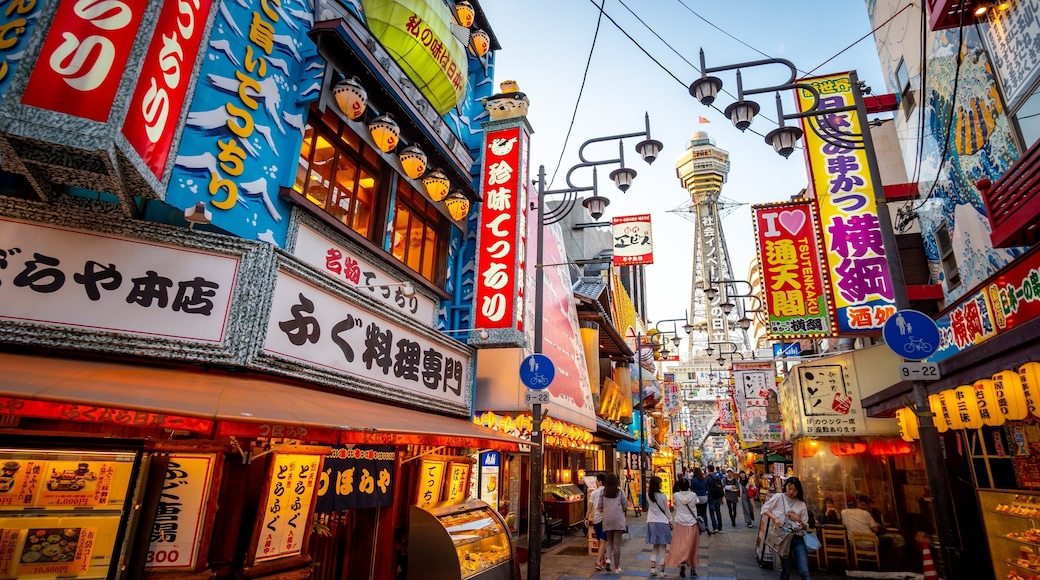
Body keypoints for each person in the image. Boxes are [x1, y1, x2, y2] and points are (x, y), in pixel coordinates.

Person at [762, 476, 812, 580]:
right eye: (790, 488)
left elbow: (805, 526)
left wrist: (798, 519)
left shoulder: (801, 504)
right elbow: (765, 509)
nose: (792, 492)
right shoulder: (778, 497)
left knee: (804, 571)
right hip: (783, 537)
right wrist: (775, 518)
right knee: (787, 569)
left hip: (798, 538)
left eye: (795, 489)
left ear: (799, 490)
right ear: (786, 487)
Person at [665, 478, 700, 578]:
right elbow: (697, 502)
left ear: (679, 486)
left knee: (681, 545)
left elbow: (676, 502)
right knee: (692, 546)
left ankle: (682, 564)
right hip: (692, 523)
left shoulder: (676, 495)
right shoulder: (693, 495)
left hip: (680, 523)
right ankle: (693, 569)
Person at [597, 473, 629, 575]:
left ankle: (608, 560)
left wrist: (606, 510)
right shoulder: (620, 492)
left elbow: (599, 506)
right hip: (618, 520)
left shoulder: (603, 492)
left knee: (609, 541)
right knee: (617, 544)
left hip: (607, 520)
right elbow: (626, 505)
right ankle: (616, 567)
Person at [645, 476, 673, 577]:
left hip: (651, 522)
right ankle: (662, 570)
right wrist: (670, 520)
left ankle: (653, 568)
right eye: (660, 483)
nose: (661, 485)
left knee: (655, 546)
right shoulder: (663, 496)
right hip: (662, 522)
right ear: (657, 485)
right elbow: (666, 510)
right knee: (663, 547)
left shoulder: (648, 495)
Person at [586, 473, 610, 571]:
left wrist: (586, 517)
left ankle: (602, 560)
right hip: (606, 519)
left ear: (600, 482)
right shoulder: (608, 492)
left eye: (596, 480)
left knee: (601, 541)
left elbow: (590, 506)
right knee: (603, 541)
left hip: (596, 519)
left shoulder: (594, 493)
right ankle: (599, 561)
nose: (596, 482)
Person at [705, 464, 724, 534]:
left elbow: (706, 487)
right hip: (718, 497)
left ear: (708, 470)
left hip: (711, 497)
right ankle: (720, 527)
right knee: (718, 512)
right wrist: (722, 497)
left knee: (712, 512)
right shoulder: (717, 477)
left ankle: (714, 527)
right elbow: (721, 487)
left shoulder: (707, 478)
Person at [689, 467, 708, 535]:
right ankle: (705, 526)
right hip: (704, 497)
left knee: (697, 513)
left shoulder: (693, 480)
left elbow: (691, 488)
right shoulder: (703, 479)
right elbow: (706, 488)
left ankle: (699, 528)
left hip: (696, 498)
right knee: (704, 513)